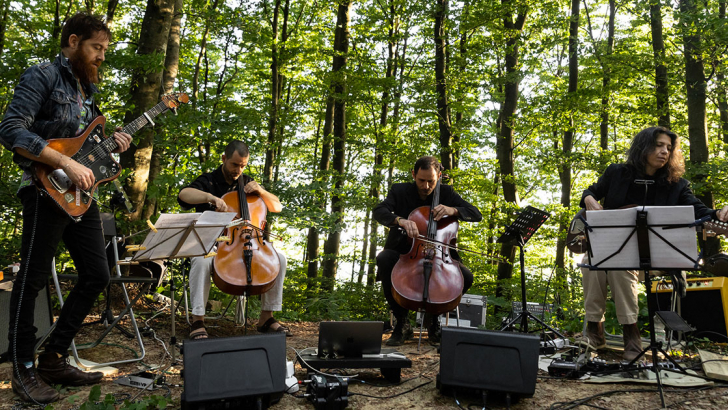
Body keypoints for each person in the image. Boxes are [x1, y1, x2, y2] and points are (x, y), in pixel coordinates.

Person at [0, 13, 133, 404]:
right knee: (33, 278)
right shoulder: (42, 75)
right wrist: (65, 163)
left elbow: (88, 151)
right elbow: (10, 128)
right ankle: (22, 370)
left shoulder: (86, 92)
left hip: (80, 196)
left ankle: (54, 358)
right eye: (97, 47)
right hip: (44, 188)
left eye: (106, 49)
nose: (102, 56)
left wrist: (112, 148)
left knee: (97, 274)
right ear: (74, 41)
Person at [580, 126, 728, 360]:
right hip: (616, 252)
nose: (665, 152)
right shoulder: (616, 173)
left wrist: (719, 213)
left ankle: (631, 332)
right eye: (659, 145)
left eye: (669, 148)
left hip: (657, 256)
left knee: (620, 268)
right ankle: (594, 330)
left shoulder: (677, 184)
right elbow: (590, 192)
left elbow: (700, 210)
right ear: (643, 147)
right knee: (591, 262)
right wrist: (589, 199)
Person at [177, 140, 291, 339]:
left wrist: (261, 191)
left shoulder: (247, 183)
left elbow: (276, 207)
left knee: (279, 258)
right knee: (200, 260)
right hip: (213, 243)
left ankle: (267, 317)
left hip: (246, 242)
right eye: (235, 164)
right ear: (224, 159)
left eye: (243, 165)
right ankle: (197, 320)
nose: (238, 170)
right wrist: (209, 198)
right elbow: (184, 195)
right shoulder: (209, 180)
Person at [372, 156, 482, 346]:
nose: (426, 186)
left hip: (440, 255)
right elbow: (379, 211)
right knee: (384, 259)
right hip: (405, 253)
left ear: (439, 176)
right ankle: (402, 324)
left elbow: (476, 214)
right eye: (421, 180)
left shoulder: (446, 193)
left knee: (466, 277)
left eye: (431, 181)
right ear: (414, 175)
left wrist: (453, 210)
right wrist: (400, 220)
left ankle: (434, 320)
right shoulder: (399, 191)